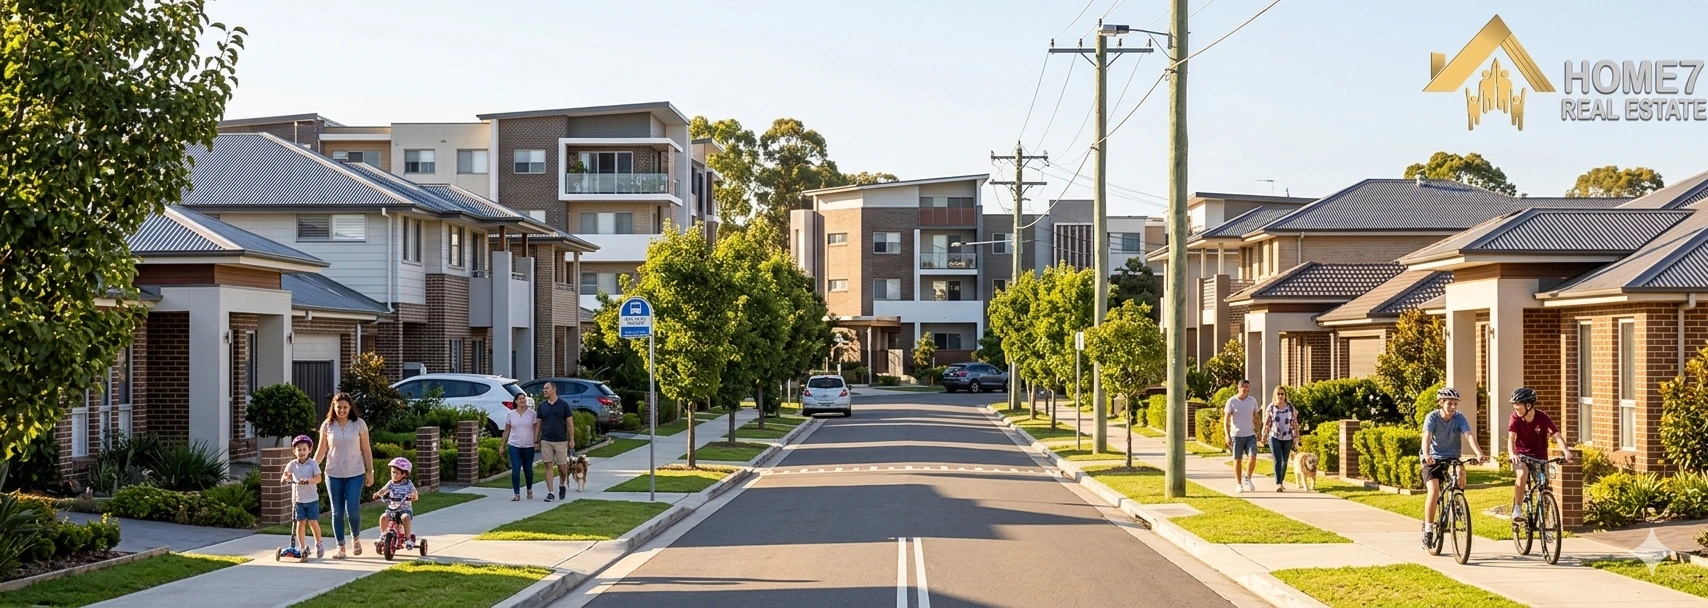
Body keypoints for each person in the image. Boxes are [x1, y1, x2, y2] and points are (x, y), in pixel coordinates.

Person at [1420, 386, 1486, 549]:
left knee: (1460, 472)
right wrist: (1427, 454)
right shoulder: (1432, 417)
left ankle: (1457, 502)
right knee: (1434, 491)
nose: (1453, 407)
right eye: (1450, 404)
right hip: (1432, 459)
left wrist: (1478, 453)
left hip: (1451, 457)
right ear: (1441, 403)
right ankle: (1428, 528)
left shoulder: (1459, 418)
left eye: (1456, 404)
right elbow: (1427, 437)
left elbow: (1469, 435)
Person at [314, 392, 373, 559]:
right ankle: (340, 546)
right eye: (339, 407)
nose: (342, 410)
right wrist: (311, 467)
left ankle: (356, 538)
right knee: (337, 512)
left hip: (355, 473)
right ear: (333, 407)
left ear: (350, 408)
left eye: (345, 407)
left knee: (352, 509)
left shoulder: (359, 424)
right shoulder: (327, 425)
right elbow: (322, 450)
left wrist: (370, 471)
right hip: (333, 474)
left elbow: (366, 449)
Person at [1507, 387, 1572, 527]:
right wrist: (1512, 454)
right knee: (1522, 473)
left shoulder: (1543, 418)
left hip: (1540, 457)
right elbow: (1511, 439)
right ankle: (1517, 508)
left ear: (1528, 405)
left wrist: (1566, 451)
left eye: (1518, 404)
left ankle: (1545, 523)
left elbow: (1556, 436)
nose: (1515, 407)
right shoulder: (1515, 418)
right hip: (1522, 456)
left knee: (1544, 488)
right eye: (1514, 404)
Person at [282, 435, 324, 559]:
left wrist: (308, 480)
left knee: (312, 521)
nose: (301, 452)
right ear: (294, 451)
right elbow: (286, 474)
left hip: (311, 499)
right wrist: (284, 478)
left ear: (310, 450)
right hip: (297, 499)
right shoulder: (292, 464)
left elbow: (318, 478)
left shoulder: (313, 464)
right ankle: (302, 546)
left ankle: (318, 543)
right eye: (299, 450)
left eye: (304, 449)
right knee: (300, 523)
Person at [535, 382, 577, 502]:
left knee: (562, 467)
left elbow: (570, 424)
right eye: (543, 389)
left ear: (554, 389)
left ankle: (562, 484)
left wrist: (571, 440)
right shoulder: (542, 406)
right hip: (546, 439)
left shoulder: (564, 405)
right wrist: (536, 440)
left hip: (560, 440)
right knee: (548, 465)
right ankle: (551, 492)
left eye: (546, 388)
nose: (544, 391)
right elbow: (538, 424)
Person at [373, 457, 421, 549]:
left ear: (404, 474)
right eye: (392, 472)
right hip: (391, 509)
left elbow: (416, 495)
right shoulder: (391, 483)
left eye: (396, 473)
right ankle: (383, 535)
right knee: (383, 517)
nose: (393, 475)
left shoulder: (408, 484)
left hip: (404, 510)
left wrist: (412, 496)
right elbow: (383, 490)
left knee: (405, 518)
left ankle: (407, 539)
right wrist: (378, 494)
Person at [502, 393, 541, 501]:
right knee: (515, 468)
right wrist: (502, 445)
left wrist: (536, 441)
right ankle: (516, 493)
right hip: (514, 444)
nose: (522, 400)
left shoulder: (532, 414)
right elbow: (507, 430)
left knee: (528, 468)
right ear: (516, 401)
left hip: (528, 445)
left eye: (524, 399)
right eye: (520, 399)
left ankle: (529, 489)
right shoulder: (511, 414)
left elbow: (535, 428)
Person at [1223, 379, 1260, 494]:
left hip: (1250, 434)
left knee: (1252, 456)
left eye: (1247, 387)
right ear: (1238, 388)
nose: (1245, 389)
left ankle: (1247, 478)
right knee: (1237, 459)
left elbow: (1256, 417)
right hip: (1237, 435)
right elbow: (1226, 420)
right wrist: (1227, 435)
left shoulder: (1252, 401)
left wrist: (1258, 431)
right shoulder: (1232, 401)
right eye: (1243, 387)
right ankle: (1239, 484)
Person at [1261, 386, 1300, 492]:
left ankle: (1281, 482)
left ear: (1285, 395)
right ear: (1275, 395)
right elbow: (1267, 423)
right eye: (1278, 394)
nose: (1280, 396)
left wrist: (1296, 437)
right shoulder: (1271, 407)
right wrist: (1263, 437)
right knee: (1277, 460)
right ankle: (1278, 483)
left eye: (1282, 394)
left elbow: (1294, 423)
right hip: (1274, 436)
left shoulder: (1290, 407)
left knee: (1285, 461)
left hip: (1287, 437)